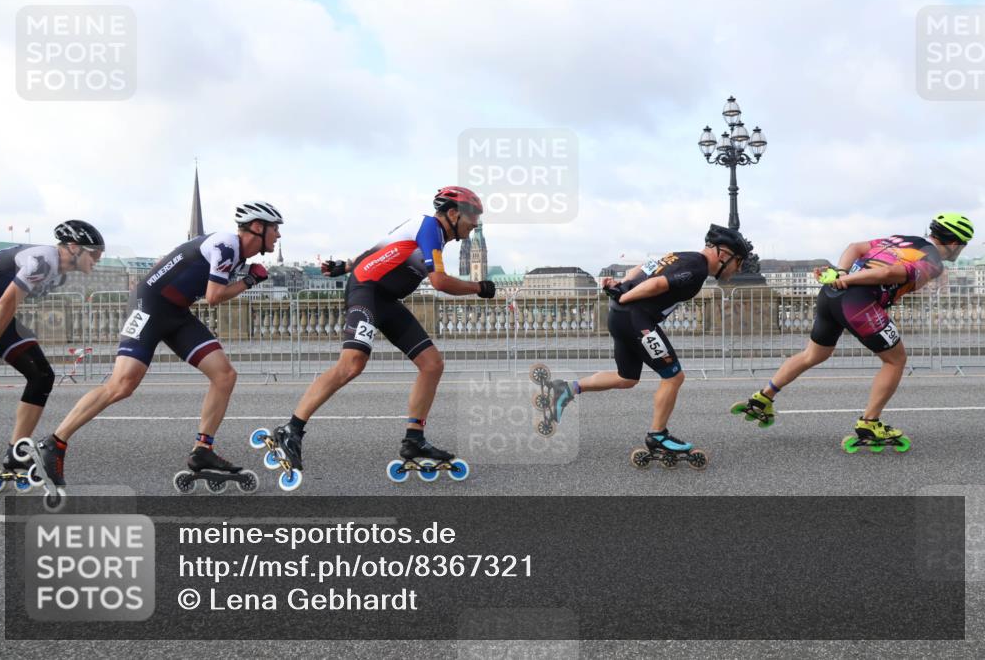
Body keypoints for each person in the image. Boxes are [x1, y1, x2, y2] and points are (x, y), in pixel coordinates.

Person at [30, 202, 282, 490]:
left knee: (224, 375)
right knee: (121, 385)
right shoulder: (226, 245)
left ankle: (202, 451)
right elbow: (214, 297)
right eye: (275, 228)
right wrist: (250, 280)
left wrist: (247, 277)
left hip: (176, 313)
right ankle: (54, 443)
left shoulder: (234, 254)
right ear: (258, 227)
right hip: (147, 306)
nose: (278, 235)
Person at [267, 186, 492, 483]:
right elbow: (439, 282)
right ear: (453, 213)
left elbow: (380, 249)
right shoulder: (431, 227)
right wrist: (479, 288)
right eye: (472, 216)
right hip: (368, 291)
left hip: (386, 299)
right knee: (352, 364)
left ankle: (414, 438)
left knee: (432, 364)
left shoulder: (428, 232)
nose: (474, 223)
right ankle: (291, 430)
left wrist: (345, 265)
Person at [731, 212, 974, 452]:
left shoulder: (903, 239)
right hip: (858, 301)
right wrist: (850, 280)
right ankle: (869, 423)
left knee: (813, 355)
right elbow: (888, 273)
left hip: (831, 293)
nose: (960, 250)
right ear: (954, 243)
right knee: (896, 360)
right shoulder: (932, 260)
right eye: (962, 246)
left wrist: (842, 272)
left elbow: (855, 247)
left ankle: (763, 397)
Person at [538, 224, 752, 467]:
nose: (740, 268)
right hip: (635, 319)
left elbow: (642, 268)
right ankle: (657, 435)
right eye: (739, 261)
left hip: (621, 316)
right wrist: (624, 295)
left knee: (626, 377)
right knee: (673, 377)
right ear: (723, 254)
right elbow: (657, 284)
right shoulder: (697, 270)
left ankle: (566, 389)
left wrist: (620, 286)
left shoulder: (683, 256)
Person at [0, 221, 105, 491]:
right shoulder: (44, 261)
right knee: (39, 374)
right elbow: (6, 302)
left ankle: (16, 454)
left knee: (41, 376)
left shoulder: (58, 272)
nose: (98, 259)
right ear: (73, 247)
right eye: (94, 253)